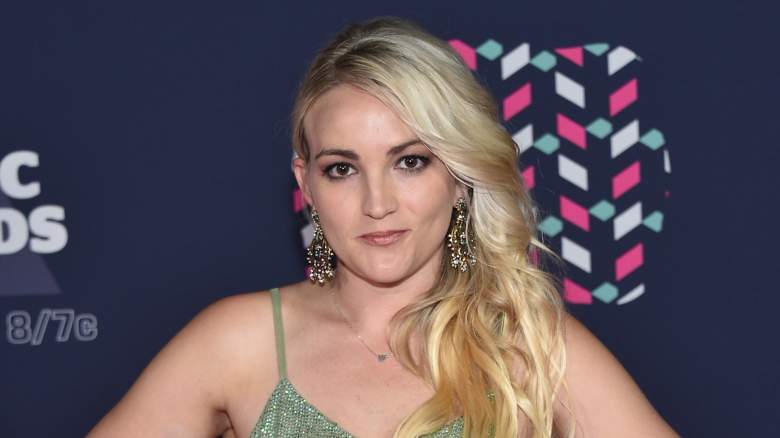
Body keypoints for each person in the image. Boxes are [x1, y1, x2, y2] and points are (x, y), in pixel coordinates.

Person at [87, 16, 679, 438]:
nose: (377, 203)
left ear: (460, 175)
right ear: (306, 184)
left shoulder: (528, 345)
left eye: (410, 162)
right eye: (342, 169)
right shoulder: (239, 342)